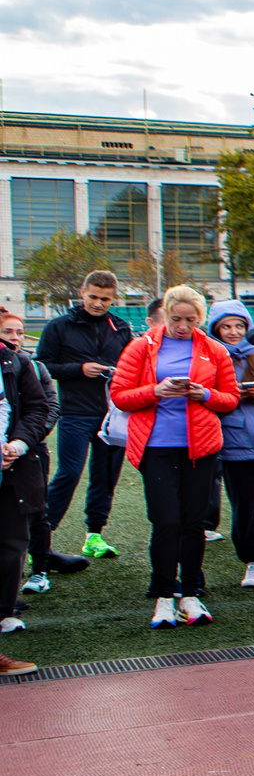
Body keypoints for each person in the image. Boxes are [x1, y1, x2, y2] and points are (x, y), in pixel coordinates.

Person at [107, 284, 237, 629]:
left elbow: (230, 398)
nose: (182, 326)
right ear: (165, 313)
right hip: (156, 446)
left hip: (201, 446)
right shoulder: (141, 346)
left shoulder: (214, 350)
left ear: (201, 318)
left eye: (190, 320)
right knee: (166, 521)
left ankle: (191, 594)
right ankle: (165, 596)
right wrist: (155, 391)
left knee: (194, 523)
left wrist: (204, 393)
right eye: (176, 318)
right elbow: (120, 395)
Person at [39, 267, 135, 562]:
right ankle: (40, 539)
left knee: (106, 477)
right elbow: (41, 366)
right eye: (93, 297)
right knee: (68, 474)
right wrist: (79, 370)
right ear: (82, 293)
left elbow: (132, 368)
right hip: (75, 413)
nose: (98, 303)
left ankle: (94, 535)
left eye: (105, 299)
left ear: (114, 299)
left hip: (112, 415)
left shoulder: (121, 328)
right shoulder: (58, 327)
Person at [204, 300, 254, 588]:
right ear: (216, 329)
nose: (233, 332)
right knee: (243, 506)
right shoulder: (210, 358)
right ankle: (252, 562)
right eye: (226, 326)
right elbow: (207, 402)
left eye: (239, 325)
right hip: (234, 441)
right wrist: (232, 396)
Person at [0, 309, 48, 665]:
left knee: (12, 544)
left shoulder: (15, 362)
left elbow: (38, 408)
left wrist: (17, 445)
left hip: (12, 472)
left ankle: (4, 613)